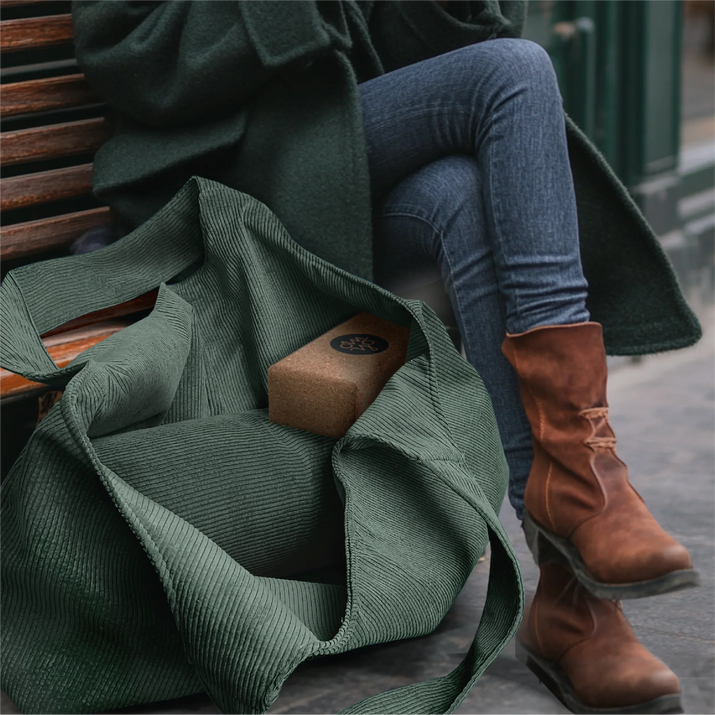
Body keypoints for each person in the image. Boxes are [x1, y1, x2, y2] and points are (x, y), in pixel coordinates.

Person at [70, 1, 701, 713]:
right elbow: (127, 55)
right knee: (513, 72)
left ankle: (574, 586)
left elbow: (441, 42)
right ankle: (582, 500)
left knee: (461, 191)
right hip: (227, 167)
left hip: (337, 158)